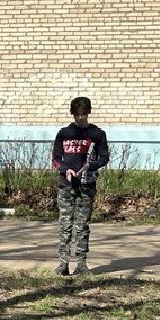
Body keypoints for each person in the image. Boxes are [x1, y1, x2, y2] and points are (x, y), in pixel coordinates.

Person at [51, 96, 109, 275]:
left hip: (87, 184)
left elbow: (104, 157)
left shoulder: (97, 134)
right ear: (72, 114)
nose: (80, 118)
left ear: (89, 113)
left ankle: (81, 264)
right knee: (65, 224)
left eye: (83, 115)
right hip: (66, 184)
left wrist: (89, 166)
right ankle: (63, 264)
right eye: (77, 115)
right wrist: (65, 169)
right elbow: (55, 159)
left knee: (82, 224)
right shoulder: (63, 133)